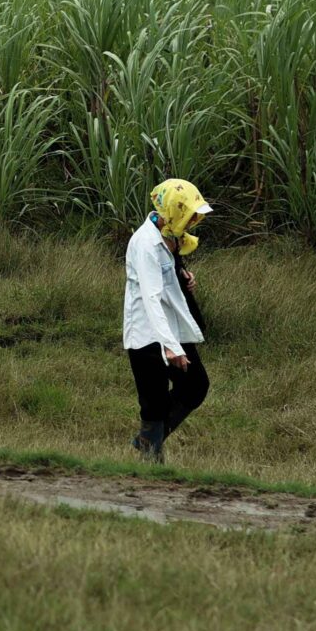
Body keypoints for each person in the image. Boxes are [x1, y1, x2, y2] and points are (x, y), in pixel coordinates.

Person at [123, 178, 212, 463]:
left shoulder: (171, 236)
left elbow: (167, 276)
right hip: (148, 333)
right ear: (173, 211)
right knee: (154, 402)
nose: (193, 221)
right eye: (190, 215)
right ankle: (151, 463)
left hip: (171, 326)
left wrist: (182, 277)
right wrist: (170, 347)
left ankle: (147, 442)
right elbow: (151, 298)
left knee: (196, 385)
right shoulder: (145, 244)